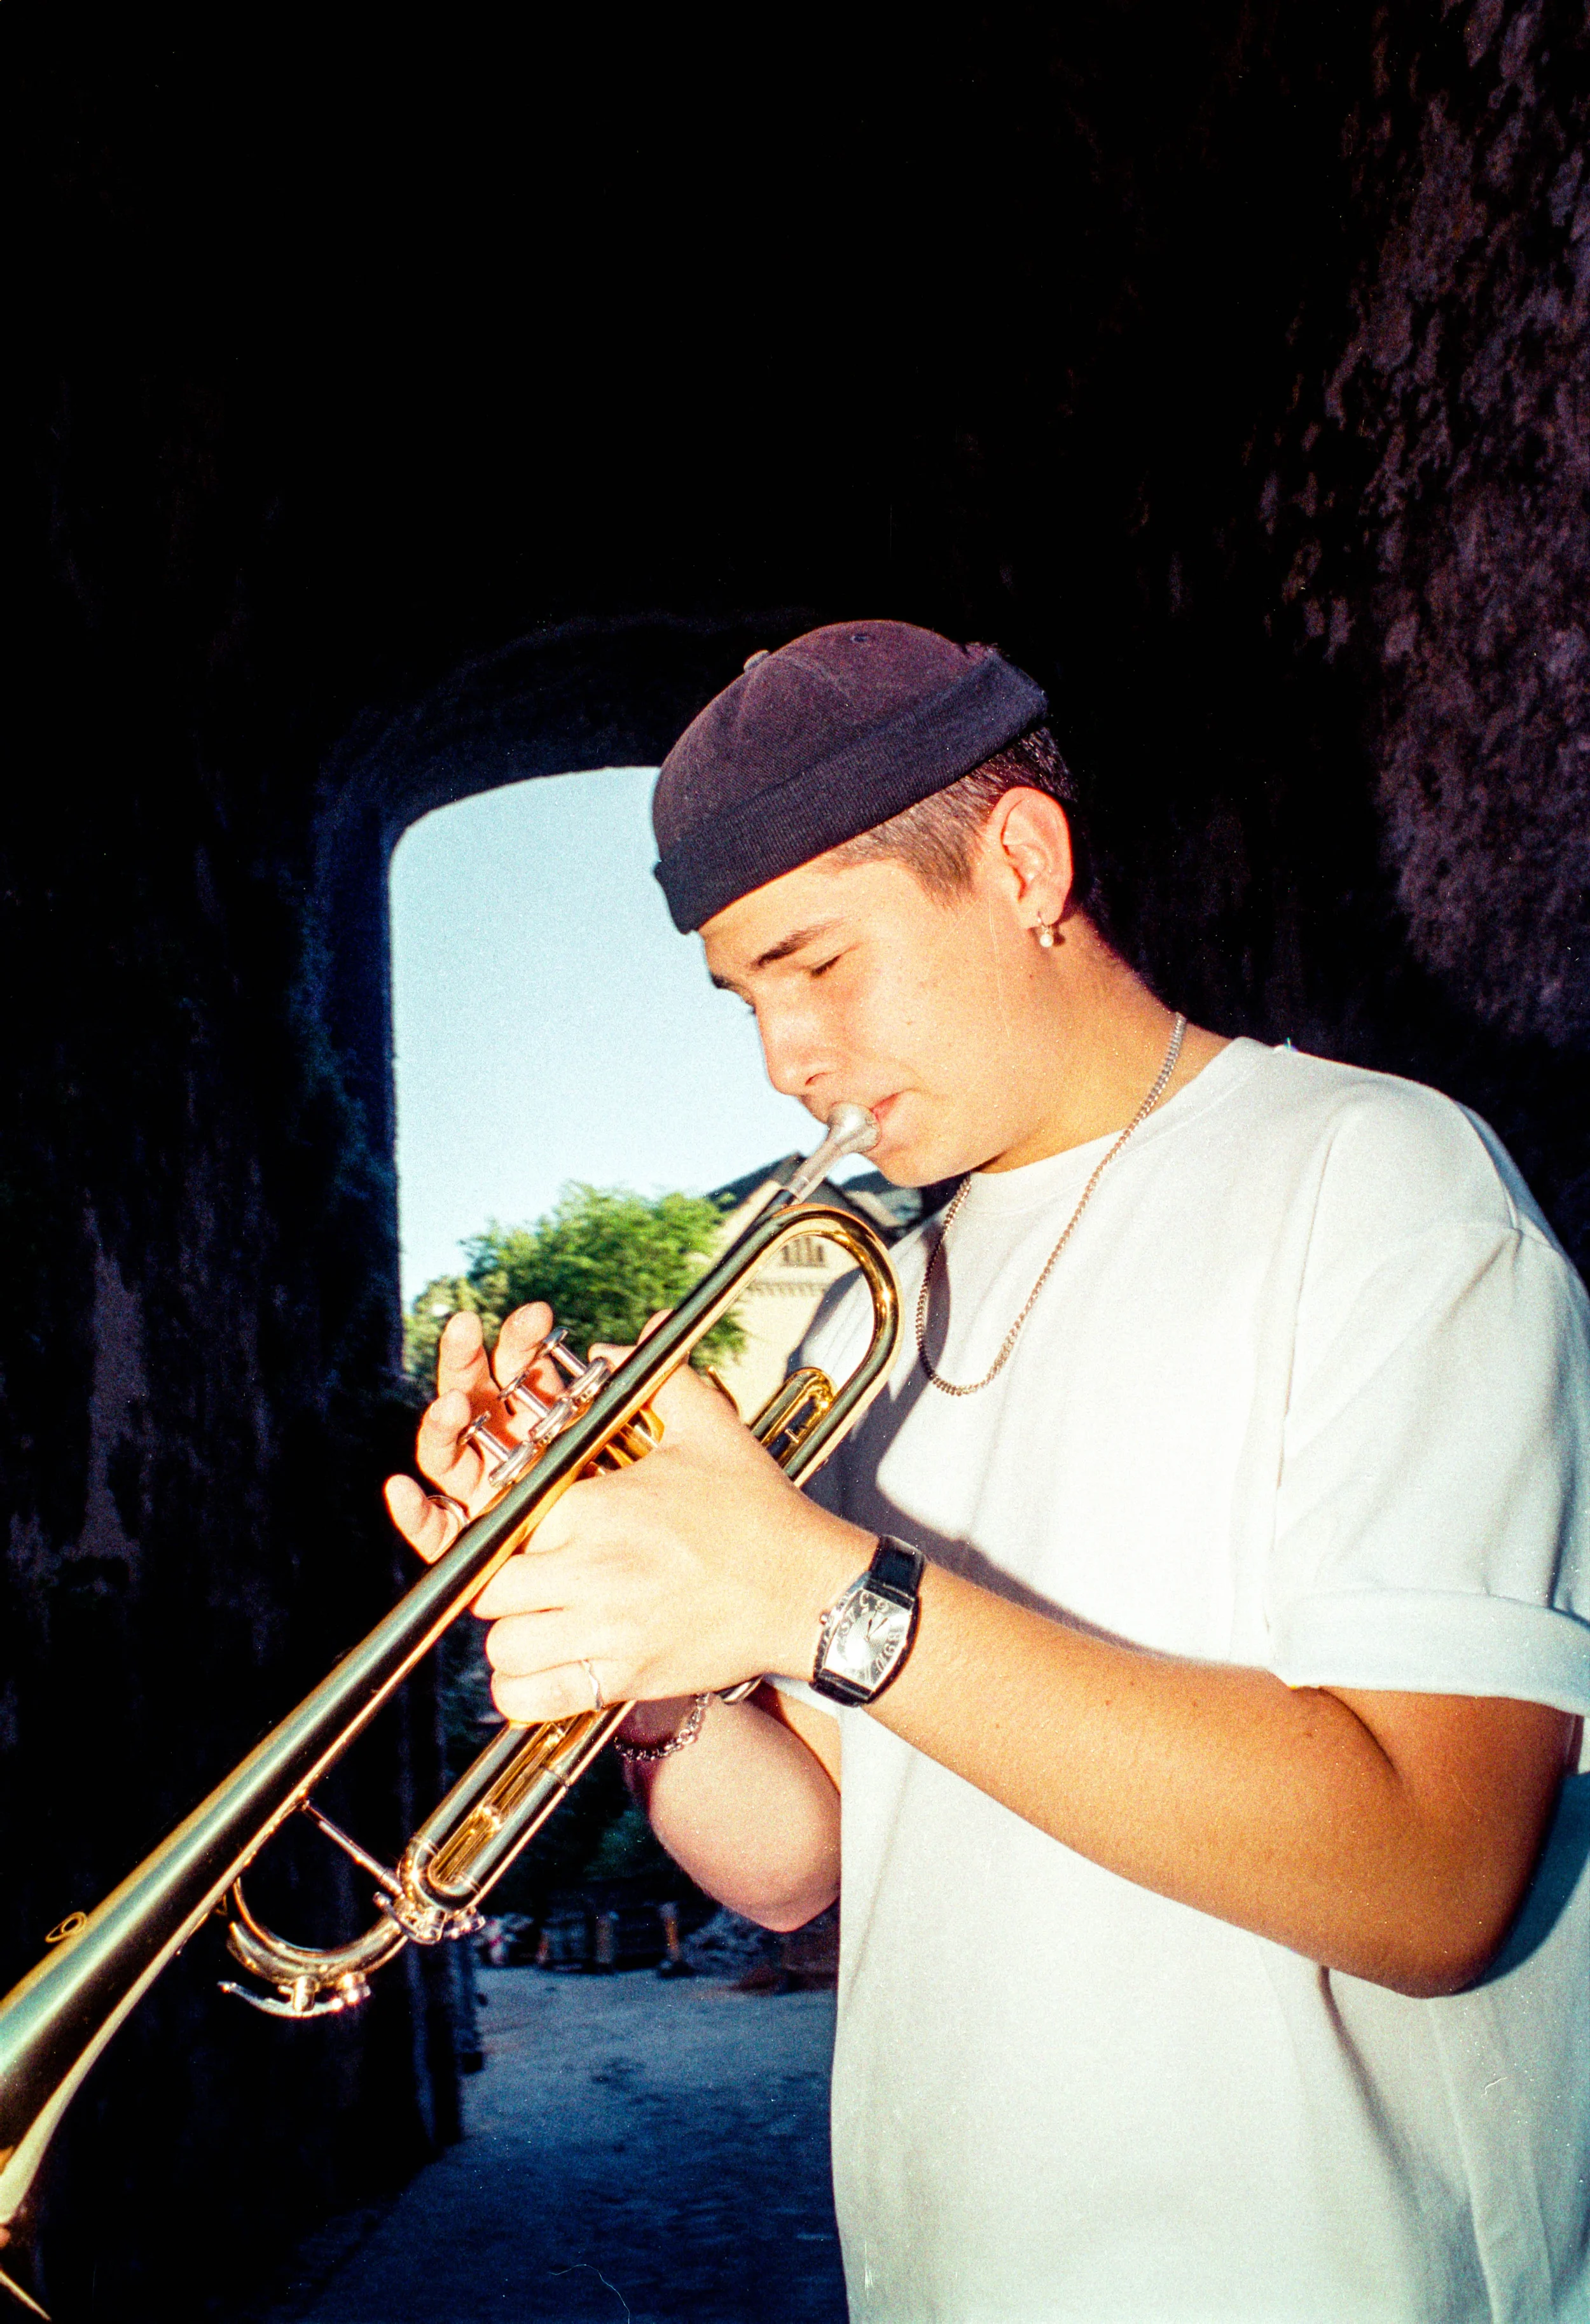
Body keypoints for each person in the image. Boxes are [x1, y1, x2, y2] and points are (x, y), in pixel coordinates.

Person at [385, 622, 1590, 2322]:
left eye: (818, 967)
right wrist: (637, 1658)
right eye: (743, 998)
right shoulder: (888, 1307)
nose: (781, 1061)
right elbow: (809, 1859)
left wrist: (813, 1588)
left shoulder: (1373, 1183)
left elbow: (1428, 1871)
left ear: (1020, 861)